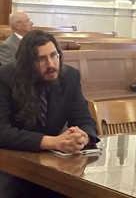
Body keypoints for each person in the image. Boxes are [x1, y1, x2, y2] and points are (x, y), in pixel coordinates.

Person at [0, 30, 100, 197]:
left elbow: (85, 121)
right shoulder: (5, 77)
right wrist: (52, 142)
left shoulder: (70, 77)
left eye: (54, 56)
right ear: (27, 63)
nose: (51, 65)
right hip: (12, 166)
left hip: (53, 167)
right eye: (41, 59)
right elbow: (2, 131)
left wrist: (82, 137)